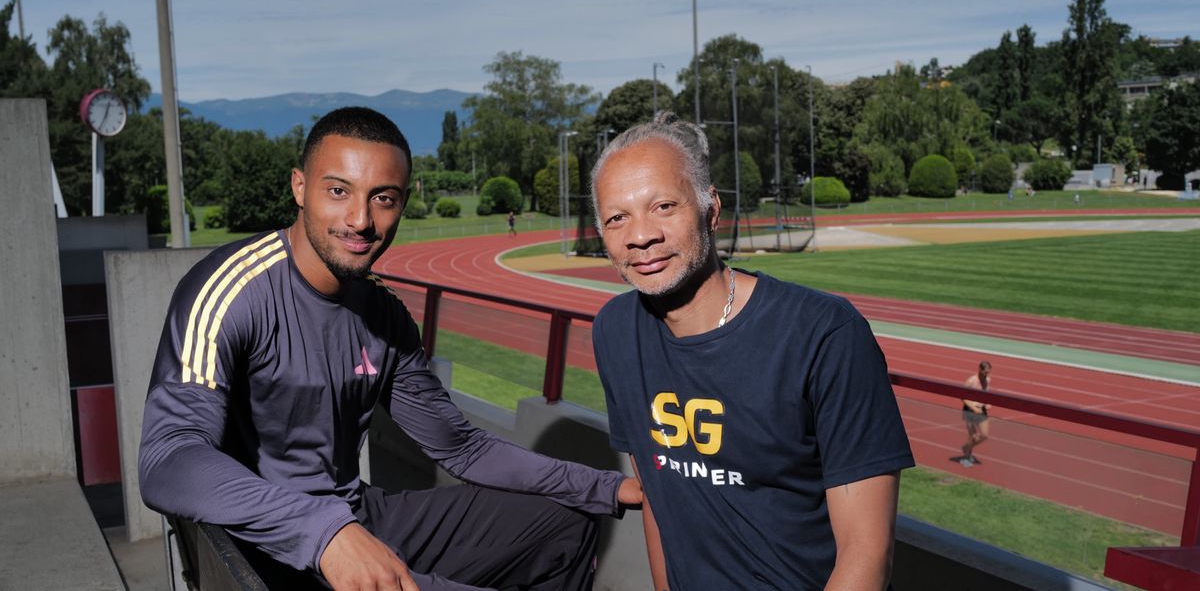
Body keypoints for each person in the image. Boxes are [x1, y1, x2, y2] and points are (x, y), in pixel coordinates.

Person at [139, 107, 641, 591]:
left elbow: (460, 446)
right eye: (338, 191)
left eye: (383, 199)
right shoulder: (233, 291)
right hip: (271, 545)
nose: (360, 220)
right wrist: (323, 533)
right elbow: (168, 457)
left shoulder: (384, 313)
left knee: (566, 525)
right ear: (299, 186)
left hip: (355, 516)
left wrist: (607, 487)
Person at [589, 112, 914, 590]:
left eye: (663, 206)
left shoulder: (823, 333)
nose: (640, 236)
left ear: (711, 210)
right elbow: (661, 501)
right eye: (618, 217)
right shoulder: (614, 332)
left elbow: (866, 555)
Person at [960, 360, 993, 467]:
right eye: (985, 372)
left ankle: (966, 447)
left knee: (984, 435)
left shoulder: (987, 380)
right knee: (973, 436)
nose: (986, 374)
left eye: (988, 372)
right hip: (969, 410)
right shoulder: (971, 381)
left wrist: (987, 404)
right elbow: (962, 396)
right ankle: (966, 457)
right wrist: (973, 407)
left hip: (981, 410)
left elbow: (986, 395)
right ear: (979, 369)